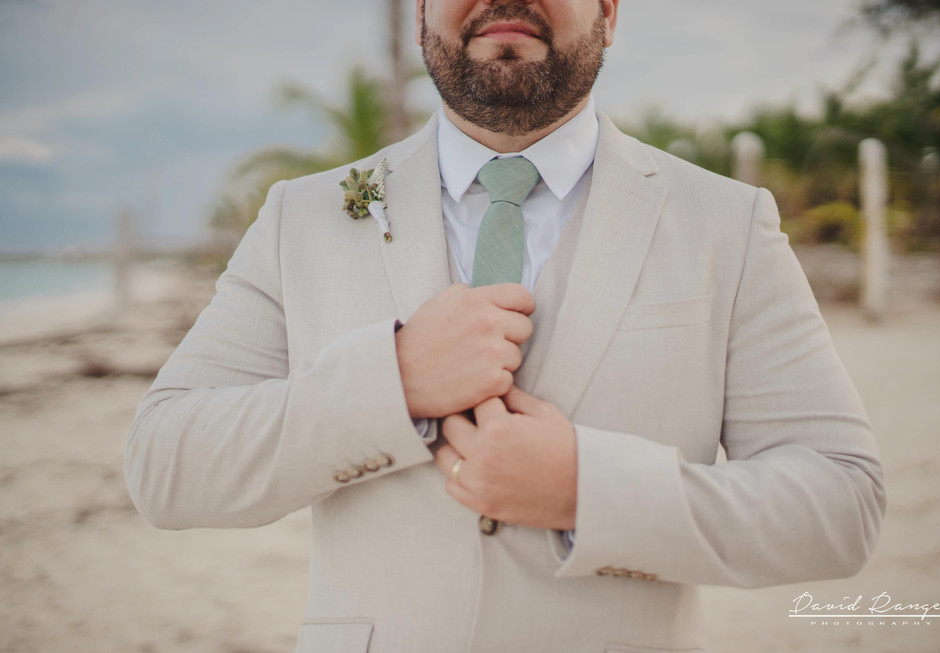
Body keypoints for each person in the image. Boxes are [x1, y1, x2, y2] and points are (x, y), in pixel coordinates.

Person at [125, 1, 886, 651]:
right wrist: (393, 381)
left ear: (611, 12)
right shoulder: (302, 218)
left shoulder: (726, 224)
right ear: (419, 11)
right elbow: (167, 465)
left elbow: (841, 503)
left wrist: (586, 490)